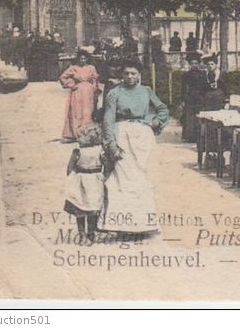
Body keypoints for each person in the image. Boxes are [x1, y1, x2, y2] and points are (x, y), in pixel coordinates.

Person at [99, 64, 170, 234]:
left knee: (141, 178)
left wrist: (156, 122)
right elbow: (108, 120)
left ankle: (145, 224)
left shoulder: (146, 91)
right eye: (126, 73)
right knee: (122, 178)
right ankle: (121, 225)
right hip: (122, 134)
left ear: (139, 75)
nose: (130, 76)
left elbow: (162, 108)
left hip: (143, 138)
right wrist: (111, 144)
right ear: (122, 75)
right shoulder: (114, 93)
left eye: (133, 73)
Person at [63, 123, 105, 243]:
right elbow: (106, 164)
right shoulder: (100, 150)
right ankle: (90, 235)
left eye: (80, 137)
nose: (78, 139)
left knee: (79, 209)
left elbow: (69, 168)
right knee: (93, 209)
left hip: (80, 181)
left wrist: (72, 178)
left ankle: (82, 236)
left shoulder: (77, 151)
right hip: (95, 182)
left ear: (88, 138)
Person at [59, 49, 103, 143]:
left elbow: (95, 80)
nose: (82, 60)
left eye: (84, 58)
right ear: (78, 59)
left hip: (89, 93)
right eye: (80, 58)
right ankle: (75, 134)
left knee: (88, 112)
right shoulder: (73, 68)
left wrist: (95, 89)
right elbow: (62, 77)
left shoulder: (91, 68)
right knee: (77, 112)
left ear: (87, 59)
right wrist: (71, 84)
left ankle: (87, 134)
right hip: (77, 92)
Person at [179, 55, 207, 143]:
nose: (194, 65)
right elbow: (183, 88)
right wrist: (182, 100)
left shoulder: (202, 74)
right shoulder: (186, 75)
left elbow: (205, 87)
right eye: (192, 63)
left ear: (198, 64)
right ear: (189, 64)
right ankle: (189, 137)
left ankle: (199, 137)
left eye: (196, 63)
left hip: (200, 98)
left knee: (198, 117)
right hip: (190, 98)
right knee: (189, 118)